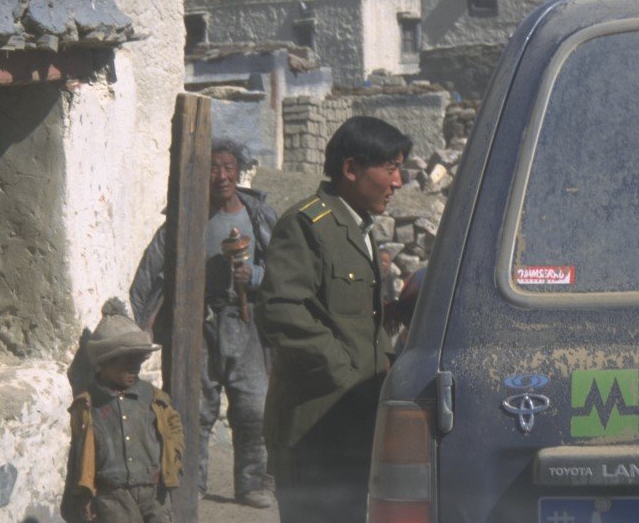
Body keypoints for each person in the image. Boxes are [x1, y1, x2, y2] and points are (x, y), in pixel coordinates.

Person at [256, 116, 412, 523]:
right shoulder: (307, 224)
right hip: (315, 431)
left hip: (352, 424)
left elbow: (358, 319)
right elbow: (282, 313)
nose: (398, 182)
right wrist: (349, 372)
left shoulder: (357, 225)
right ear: (350, 169)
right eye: (390, 168)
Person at [128, 138, 278, 509]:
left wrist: (255, 276)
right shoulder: (186, 217)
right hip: (198, 324)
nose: (221, 176)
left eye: (228, 167)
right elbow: (150, 271)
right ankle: (191, 483)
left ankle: (251, 484)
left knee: (253, 407)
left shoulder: (258, 216)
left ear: (239, 170)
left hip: (247, 324)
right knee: (196, 409)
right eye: (213, 168)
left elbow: (284, 268)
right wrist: (140, 322)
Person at [62, 298, 184, 523]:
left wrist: (171, 463)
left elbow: (174, 430)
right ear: (104, 362)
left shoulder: (154, 399)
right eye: (124, 363)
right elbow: (78, 455)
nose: (133, 369)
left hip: (153, 493)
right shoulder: (88, 405)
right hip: (112, 497)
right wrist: (84, 495)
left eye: (137, 361)